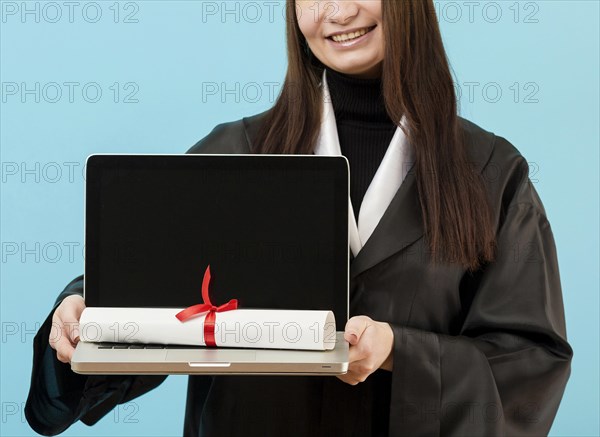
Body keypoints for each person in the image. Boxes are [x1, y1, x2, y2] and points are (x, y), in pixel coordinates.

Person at [25, 1, 572, 436]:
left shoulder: (489, 172)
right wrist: (79, 312)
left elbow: (528, 364)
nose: (335, 12)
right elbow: (145, 290)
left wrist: (397, 353)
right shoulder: (236, 155)